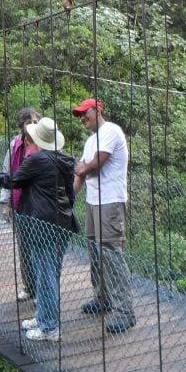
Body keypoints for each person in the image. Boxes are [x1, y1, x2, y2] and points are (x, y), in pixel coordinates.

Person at [0, 117, 77, 342]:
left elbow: (12, 180)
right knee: (49, 272)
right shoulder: (63, 159)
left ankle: (49, 327)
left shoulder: (38, 160)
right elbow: (70, 194)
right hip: (62, 223)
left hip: (41, 224)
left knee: (45, 275)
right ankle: (43, 316)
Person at [73, 98, 136, 334]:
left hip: (110, 203)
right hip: (93, 202)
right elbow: (80, 172)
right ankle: (103, 299)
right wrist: (68, 199)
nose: (82, 119)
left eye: (84, 113)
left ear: (98, 110)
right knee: (94, 252)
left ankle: (124, 311)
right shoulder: (90, 141)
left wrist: (83, 168)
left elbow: (93, 165)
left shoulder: (111, 131)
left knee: (110, 254)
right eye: (79, 116)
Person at [0, 106, 41, 302]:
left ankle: (42, 290)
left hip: (39, 205)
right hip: (20, 203)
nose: (32, 126)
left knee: (39, 249)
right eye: (28, 122)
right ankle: (29, 287)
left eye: (35, 122)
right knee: (24, 248)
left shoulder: (46, 144)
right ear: (22, 125)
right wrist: (5, 202)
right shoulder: (15, 145)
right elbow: (8, 174)